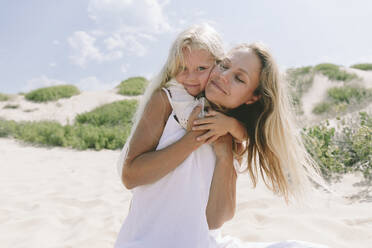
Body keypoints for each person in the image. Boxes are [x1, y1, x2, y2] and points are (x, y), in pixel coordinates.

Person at [115, 24, 329, 247]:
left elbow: (214, 220)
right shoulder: (167, 100)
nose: (224, 77)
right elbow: (130, 176)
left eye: (239, 79)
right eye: (225, 66)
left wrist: (226, 154)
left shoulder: (230, 134)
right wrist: (194, 139)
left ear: (252, 98)